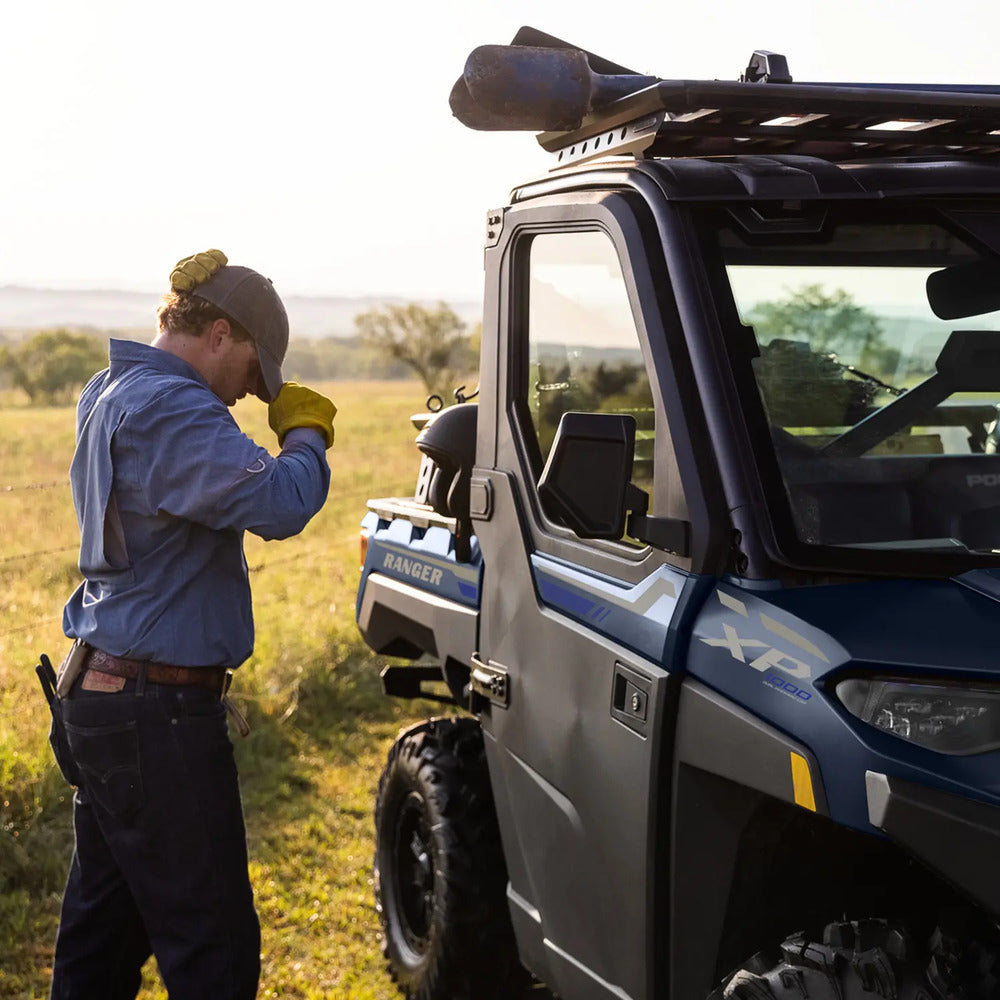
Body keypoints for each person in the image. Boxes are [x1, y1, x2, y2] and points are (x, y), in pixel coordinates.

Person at [48, 250, 336, 999]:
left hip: (104, 696)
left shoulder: (107, 389)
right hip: (157, 718)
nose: (249, 392)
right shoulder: (174, 408)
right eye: (251, 369)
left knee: (101, 941)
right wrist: (306, 435)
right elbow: (280, 504)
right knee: (214, 952)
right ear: (217, 332)